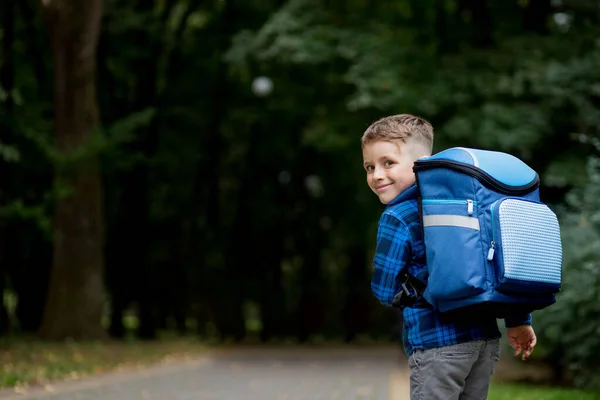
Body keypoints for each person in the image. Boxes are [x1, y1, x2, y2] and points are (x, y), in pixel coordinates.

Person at [361, 114, 537, 400]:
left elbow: (385, 289)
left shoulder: (397, 216)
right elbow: (500, 262)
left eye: (387, 163)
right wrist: (519, 319)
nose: (376, 174)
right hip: (484, 342)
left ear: (420, 164)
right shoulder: (467, 204)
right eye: (369, 167)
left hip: (435, 345)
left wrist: (419, 295)